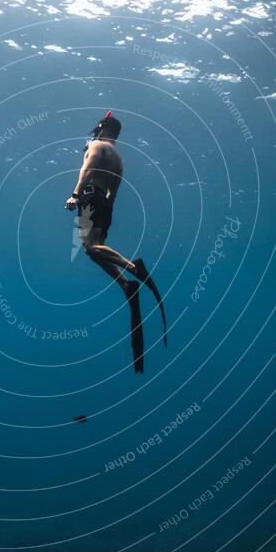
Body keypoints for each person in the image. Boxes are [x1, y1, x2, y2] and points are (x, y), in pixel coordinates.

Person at [65, 111, 166, 374]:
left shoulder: (96, 146)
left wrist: (76, 195)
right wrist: (106, 209)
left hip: (89, 195)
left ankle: (134, 268)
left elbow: (86, 170)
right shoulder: (119, 158)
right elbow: (115, 188)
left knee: (88, 247)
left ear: (102, 128)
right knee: (96, 252)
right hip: (105, 203)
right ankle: (126, 286)